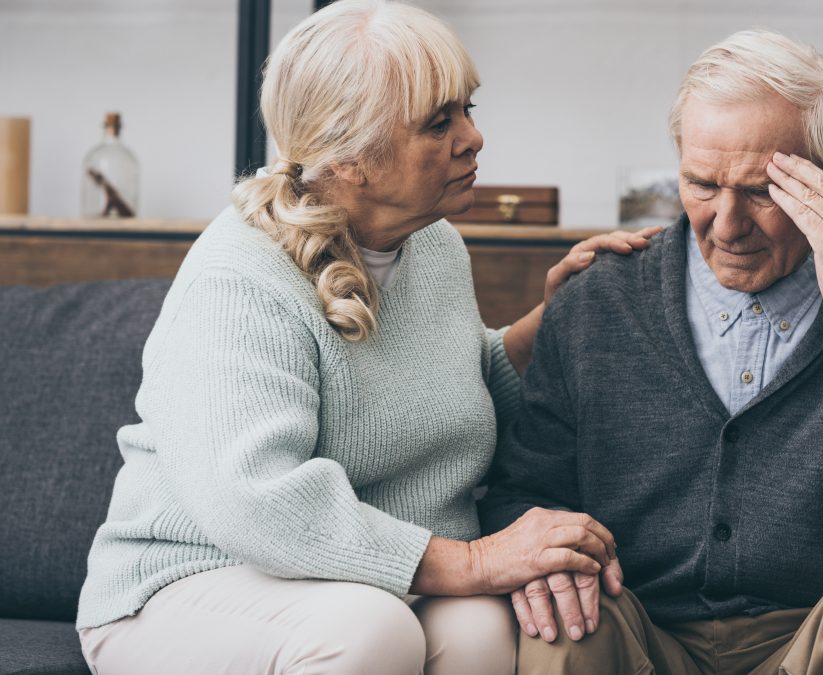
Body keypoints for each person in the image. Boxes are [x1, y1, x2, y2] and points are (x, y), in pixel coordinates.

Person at [75, 2, 655, 673]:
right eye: (439, 122)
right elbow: (259, 503)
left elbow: (461, 381)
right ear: (349, 156)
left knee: (480, 629)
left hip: (341, 580)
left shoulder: (433, 246)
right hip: (183, 586)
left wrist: (555, 318)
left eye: (468, 109)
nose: (473, 138)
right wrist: (473, 559)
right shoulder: (238, 276)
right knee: (370, 631)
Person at [480, 28, 823, 675]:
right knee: (562, 621)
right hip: (637, 628)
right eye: (701, 184)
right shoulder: (597, 299)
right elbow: (519, 492)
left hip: (819, 639)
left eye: (761, 191)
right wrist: (548, 554)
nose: (726, 225)